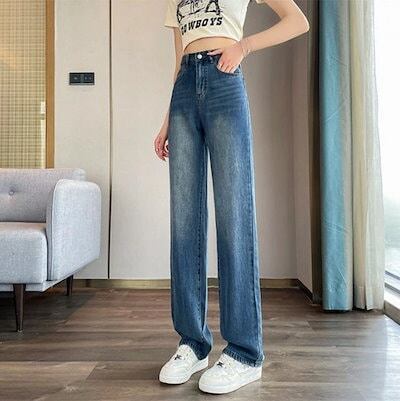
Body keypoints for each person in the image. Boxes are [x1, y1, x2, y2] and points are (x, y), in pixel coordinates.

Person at [154, 0, 309, 395]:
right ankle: (193, 343)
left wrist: (244, 46)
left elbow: (297, 21)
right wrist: (168, 117)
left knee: (234, 218)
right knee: (184, 222)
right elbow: (178, 59)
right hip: (184, 90)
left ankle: (244, 352)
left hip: (224, 82)